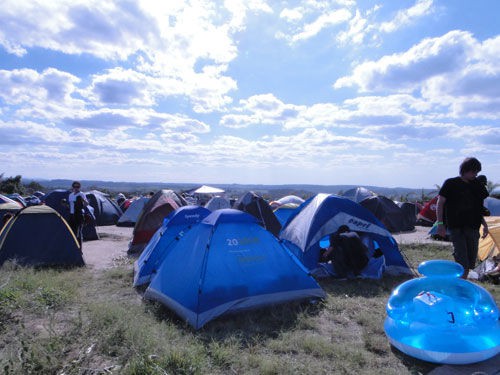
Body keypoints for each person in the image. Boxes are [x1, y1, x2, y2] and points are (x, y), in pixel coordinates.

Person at [436, 157, 489, 279]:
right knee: (462, 263)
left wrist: (485, 225)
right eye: (473, 171)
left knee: (470, 262)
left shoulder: (477, 185)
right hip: (456, 227)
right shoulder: (451, 183)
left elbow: (478, 208)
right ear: (464, 170)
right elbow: (440, 203)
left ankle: (460, 282)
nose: (475, 175)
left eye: (477, 172)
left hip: (473, 227)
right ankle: (460, 288)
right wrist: (440, 224)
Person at [68, 181, 89, 248]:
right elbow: (70, 206)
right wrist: (65, 205)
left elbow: (86, 204)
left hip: (79, 215)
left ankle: (80, 249)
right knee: (72, 232)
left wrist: (82, 199)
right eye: (74, 186)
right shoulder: (70, 195)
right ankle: (74, 247)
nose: (76, 188)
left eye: (77, 187)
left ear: (79, 187)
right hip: (72, 215)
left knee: (79, 232)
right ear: (72, 187)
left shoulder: (82, 194)